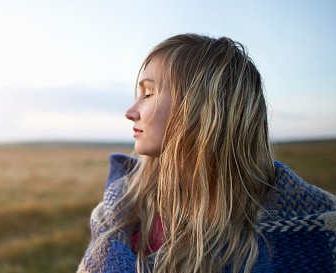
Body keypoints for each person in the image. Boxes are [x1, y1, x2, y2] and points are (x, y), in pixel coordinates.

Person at [77, 33, 336, 273]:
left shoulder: (314, 231)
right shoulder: (123, 210)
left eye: (149, 93)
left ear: (201, 108)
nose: (130, 111)